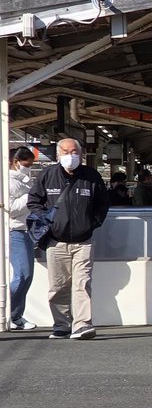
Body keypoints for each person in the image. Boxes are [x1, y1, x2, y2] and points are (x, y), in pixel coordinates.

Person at [26, 138, 110, 340]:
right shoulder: (47, 175)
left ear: (80, 154)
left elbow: (102, 204)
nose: (70, 155)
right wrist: (47, 222)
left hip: (83, 241)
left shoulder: (91, 176)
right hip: (56, 241)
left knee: (83, 283)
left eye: (74, 152)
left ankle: (82, 325)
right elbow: (34, 201)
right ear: (58, 155)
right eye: (65, 151)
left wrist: (92, 223)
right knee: (58, 286)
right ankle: (62, 324)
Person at [7, 146, 38, 331]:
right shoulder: (7, 182)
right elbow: (11, 208)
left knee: (27, 276)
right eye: (27, 164)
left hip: (26, 231)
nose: (29, 167)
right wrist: (30, 197)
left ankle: (15, 315)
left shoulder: (25, 180)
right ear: (15, 162)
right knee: (22, 274)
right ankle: (8, 312)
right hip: (15, 231)